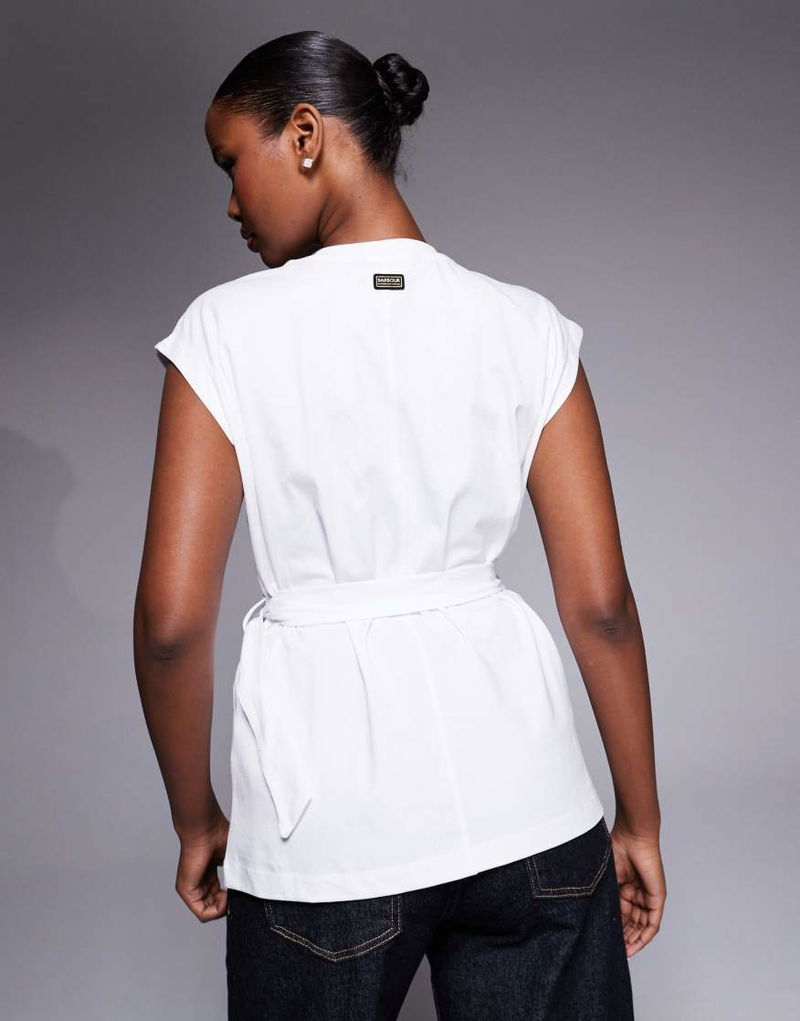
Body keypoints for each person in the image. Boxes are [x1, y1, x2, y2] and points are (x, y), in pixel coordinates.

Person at [133, 29, 666, 1021]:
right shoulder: (526, 325)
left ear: (304, 136)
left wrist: (195, 816)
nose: (231, 202)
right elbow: (601, 606)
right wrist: (638, 818)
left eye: (229, 162)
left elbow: (170, 625)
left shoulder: (224, 330)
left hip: (323, 838)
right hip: (536, 816)